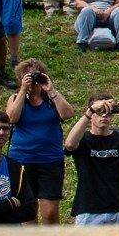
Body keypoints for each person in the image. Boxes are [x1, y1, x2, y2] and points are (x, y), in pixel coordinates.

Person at [63, 94, 119, 225]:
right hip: (88, 210)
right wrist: (89, 111)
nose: (104, 115)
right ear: (92, 115)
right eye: (100, 111)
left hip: (118, 209)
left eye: (108, 112)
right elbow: (69, 145)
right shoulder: (82, 139)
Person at [6, 58, 76, 225]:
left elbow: (68, 114)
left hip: (50, 159)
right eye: (27, 77)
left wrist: (51, 90)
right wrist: (23, 91)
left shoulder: (51, 99)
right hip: (22, 159)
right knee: (28, 211)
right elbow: (10, 118)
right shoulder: (15, 98)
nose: (33, 81)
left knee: (50, 211)